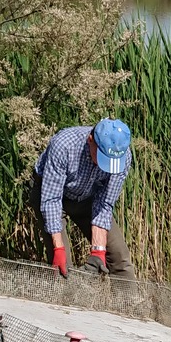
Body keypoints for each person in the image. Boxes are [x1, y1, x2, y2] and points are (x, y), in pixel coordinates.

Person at [29, 118, 134, 277]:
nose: (104, 166)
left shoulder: (122, 158)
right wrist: (58, 248)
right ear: (90, 141)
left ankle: (128, 301)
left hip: (88, 197)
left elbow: (104, 204)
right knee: (63, 264)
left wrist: (98, 251)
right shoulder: (64, 145)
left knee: (119, 257)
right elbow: (51, 199)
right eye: (103, 158)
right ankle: (65, 299)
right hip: (52, 196)